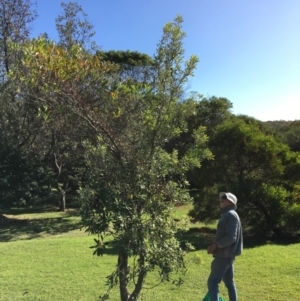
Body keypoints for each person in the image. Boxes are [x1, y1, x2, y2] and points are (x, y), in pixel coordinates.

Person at [206, 192, 243, 301]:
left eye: (224, 198)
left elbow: (231, 237)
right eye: (221, 197)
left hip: (224, 255)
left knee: (212, 282)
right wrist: (215, 241)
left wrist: (215, 246)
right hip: (227, 255)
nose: (221, 199)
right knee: (229, 282)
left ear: (231, 201)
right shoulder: (228, 214)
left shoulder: (230, 214)